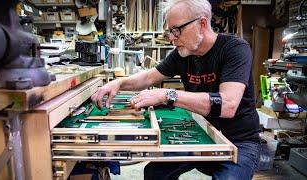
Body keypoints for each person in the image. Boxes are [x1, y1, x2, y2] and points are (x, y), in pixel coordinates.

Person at [91, 0, 261, 179]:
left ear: (202, 24)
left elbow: (227, 104)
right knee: (154, 173)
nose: (171, 38)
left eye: (176, 30)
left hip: (240, 141)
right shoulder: (182, 53)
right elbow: (149, 77)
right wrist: (118, 83)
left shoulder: (235, 49)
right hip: (200, 133)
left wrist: (167, 94)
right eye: (170, 31)